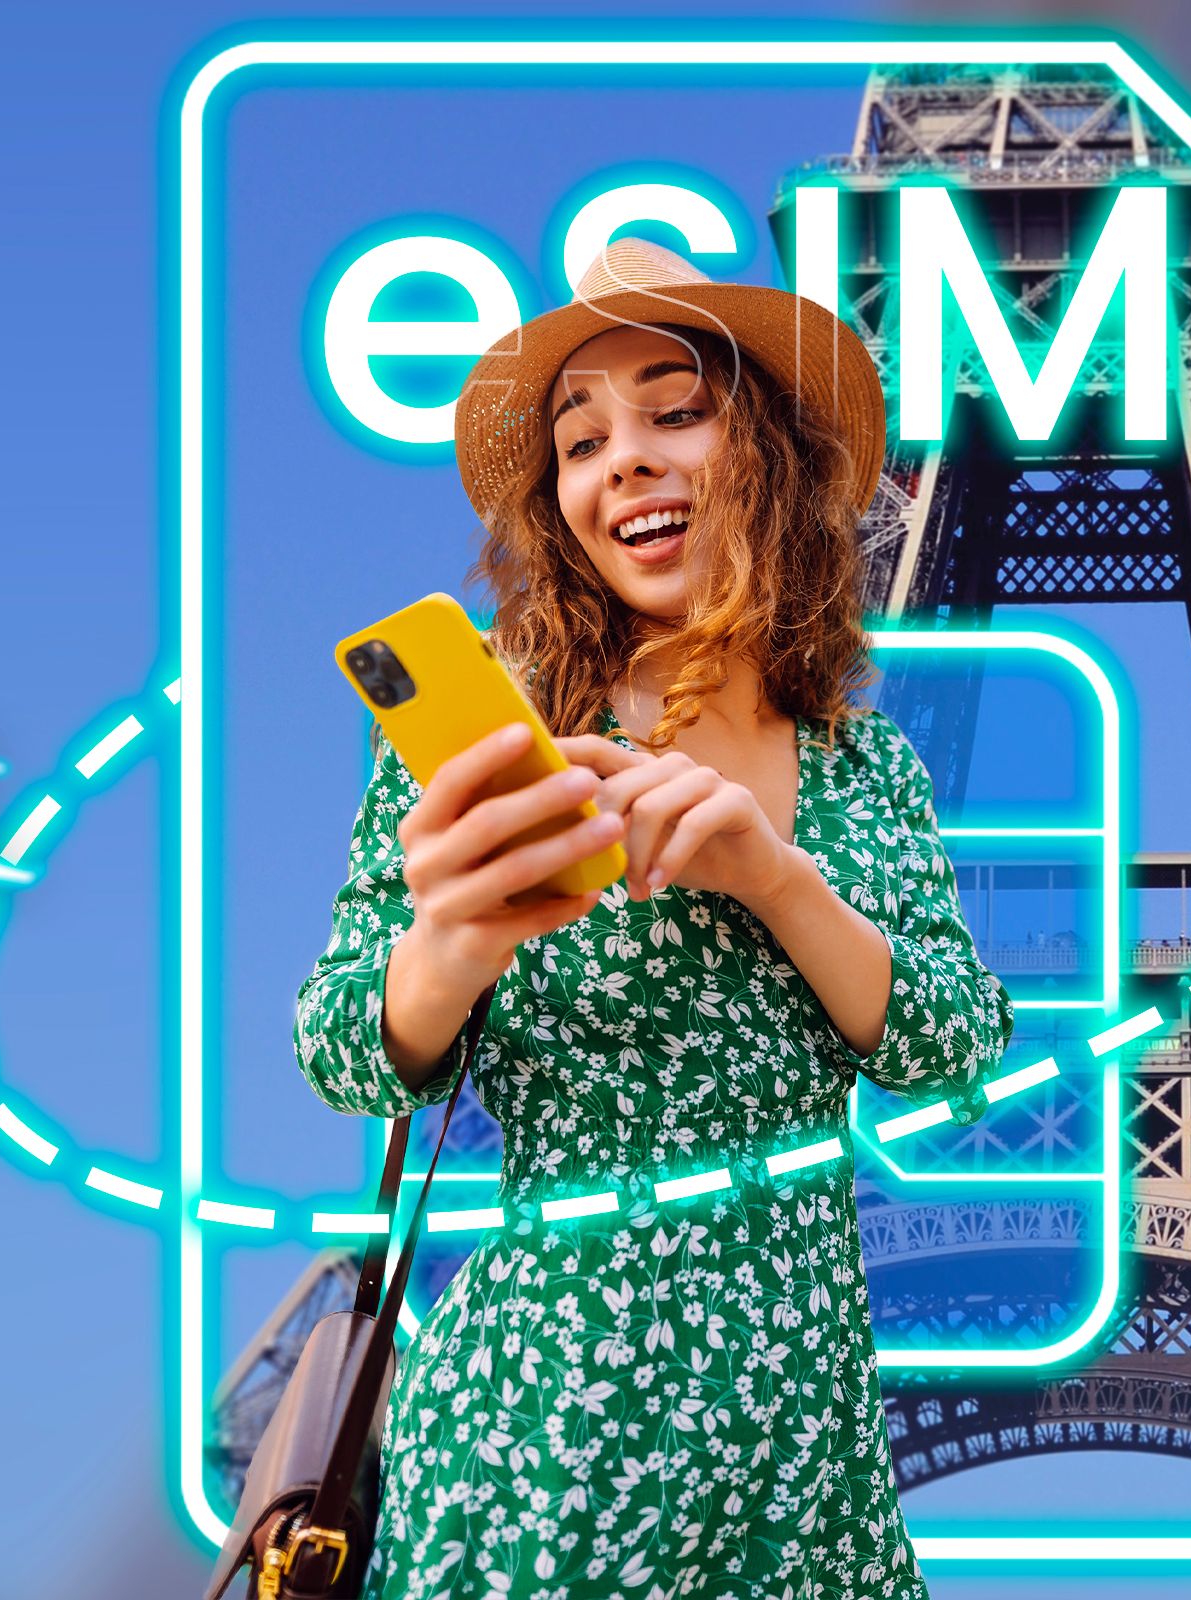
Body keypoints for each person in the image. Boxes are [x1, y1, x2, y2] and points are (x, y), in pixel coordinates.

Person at [292, 238, 1018, 1600]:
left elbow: (955, 1040)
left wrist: (774, 876)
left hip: (803, 1460)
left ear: (773, 462)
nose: (621, 459)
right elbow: (339, 1049)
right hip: (544, 1434)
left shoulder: (864, 770)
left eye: (675, 411)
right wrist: (458, 935)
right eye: (581, 441)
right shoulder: (498, 746)